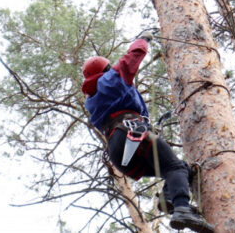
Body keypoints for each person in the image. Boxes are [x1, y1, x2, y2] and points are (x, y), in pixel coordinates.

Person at [82, 31, 215, 233]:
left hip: (119, 152)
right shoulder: (111, 79)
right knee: (176, 167)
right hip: (131, 133)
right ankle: (182, 209)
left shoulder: (92, 100)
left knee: (179, 170)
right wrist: (143, 39)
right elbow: (131, 58)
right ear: (106, 68)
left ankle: (168, 199)